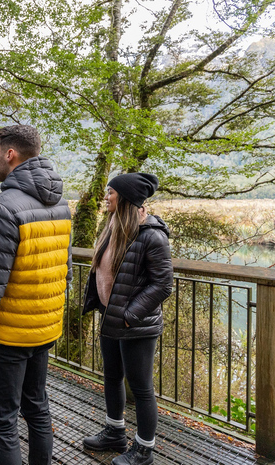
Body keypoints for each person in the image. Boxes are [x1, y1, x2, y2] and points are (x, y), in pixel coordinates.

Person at [0, 124, 72, 465]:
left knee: (2, 421)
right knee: (36, 407)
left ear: (10, 155)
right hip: (44, 329)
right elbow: (61, 271)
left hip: (8, 335)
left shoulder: (2, 208)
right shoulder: (62, 205)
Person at [81, 173, 173, 465]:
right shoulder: (113, 228)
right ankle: (115, 432)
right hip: (112, 318)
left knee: (142, 387)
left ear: (126, 199)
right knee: (111, 377)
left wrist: (131, 316)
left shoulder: (152, 236)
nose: (106, 197)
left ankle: (144, 450)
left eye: (112, 193)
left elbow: (162, 285)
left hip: (136, 325)